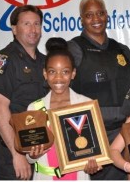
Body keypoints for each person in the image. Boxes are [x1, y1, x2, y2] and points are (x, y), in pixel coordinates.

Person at [68, 0, 130, 180]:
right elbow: (62, 92)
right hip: (91, 134)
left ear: (107, 15)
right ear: (81, 19)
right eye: (89, 15)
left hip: (122, 134)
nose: (96, 19)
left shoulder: (122, 49)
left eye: (100, 13)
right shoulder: (73, 49)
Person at [26, 37, 102, 180]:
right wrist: (32, 155)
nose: (58, 78)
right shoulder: (34, 108)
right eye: (52, 72)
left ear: (73, 74)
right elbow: (29, 156)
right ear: (45, 74)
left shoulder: (86, 104)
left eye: (65, 72)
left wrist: (94, 163)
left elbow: (96, 152)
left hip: (78, 176)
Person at [0, 5, 48, 180]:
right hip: (13, 154)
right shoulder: (5, 60)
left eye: (37, 24)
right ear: (14, 29)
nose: (33, 29)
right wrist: (17, 154)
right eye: (26, 24)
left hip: (42, 152)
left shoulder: (45, 62)